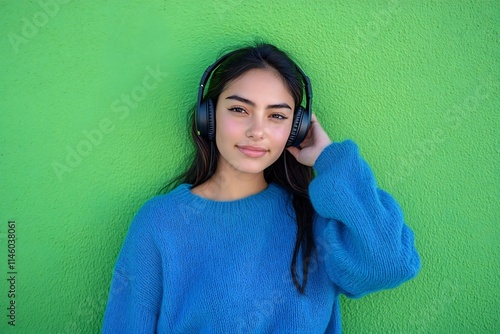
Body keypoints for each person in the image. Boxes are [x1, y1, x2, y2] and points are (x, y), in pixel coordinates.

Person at [102, 42, 421, 333]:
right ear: (207, 117)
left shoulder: (315, 219)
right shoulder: (160, 222)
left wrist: (329, 159)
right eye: (239, 109)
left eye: (277, 116)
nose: (258, 131)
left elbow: (390, 264)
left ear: (296, 130)